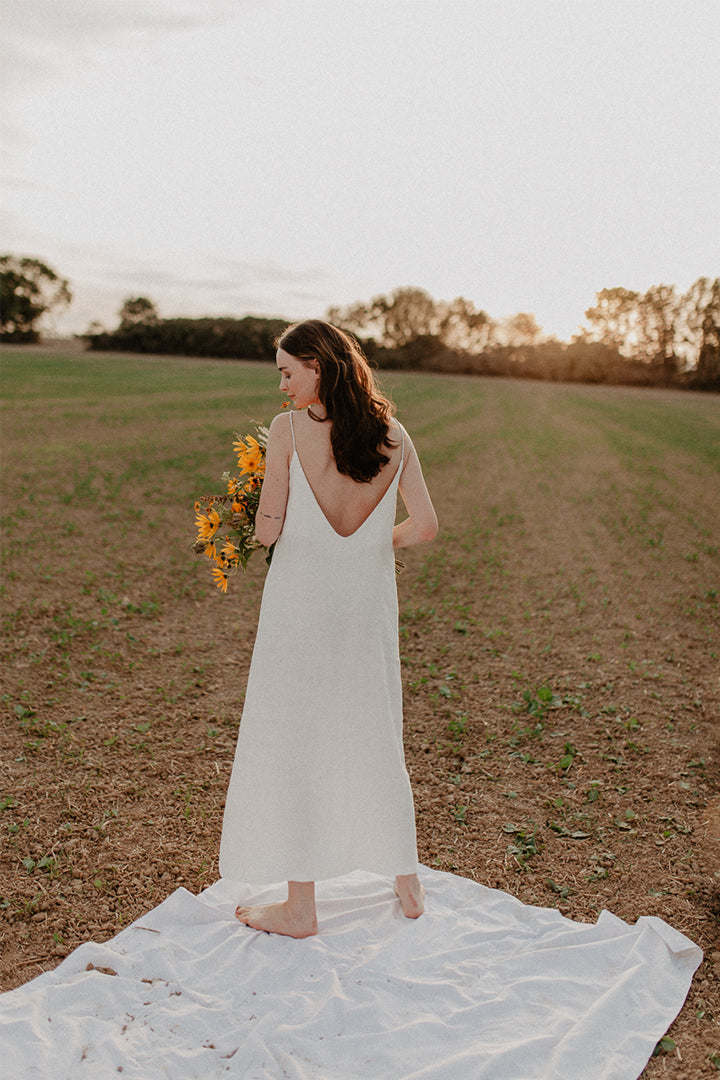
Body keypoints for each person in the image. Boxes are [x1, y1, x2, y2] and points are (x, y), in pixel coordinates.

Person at [219, 319, 438, 937]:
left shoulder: (288, 433)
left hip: (301, 607)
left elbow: (267, 531)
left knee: (299, 736)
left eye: (289, 372)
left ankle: (300, 907)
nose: (282, 386)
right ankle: (405, 877)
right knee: (374, 723)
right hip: (366, 606)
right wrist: (372, 545)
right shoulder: (395, 435)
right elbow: (423, 527)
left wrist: (254, 500)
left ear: (319, 365)